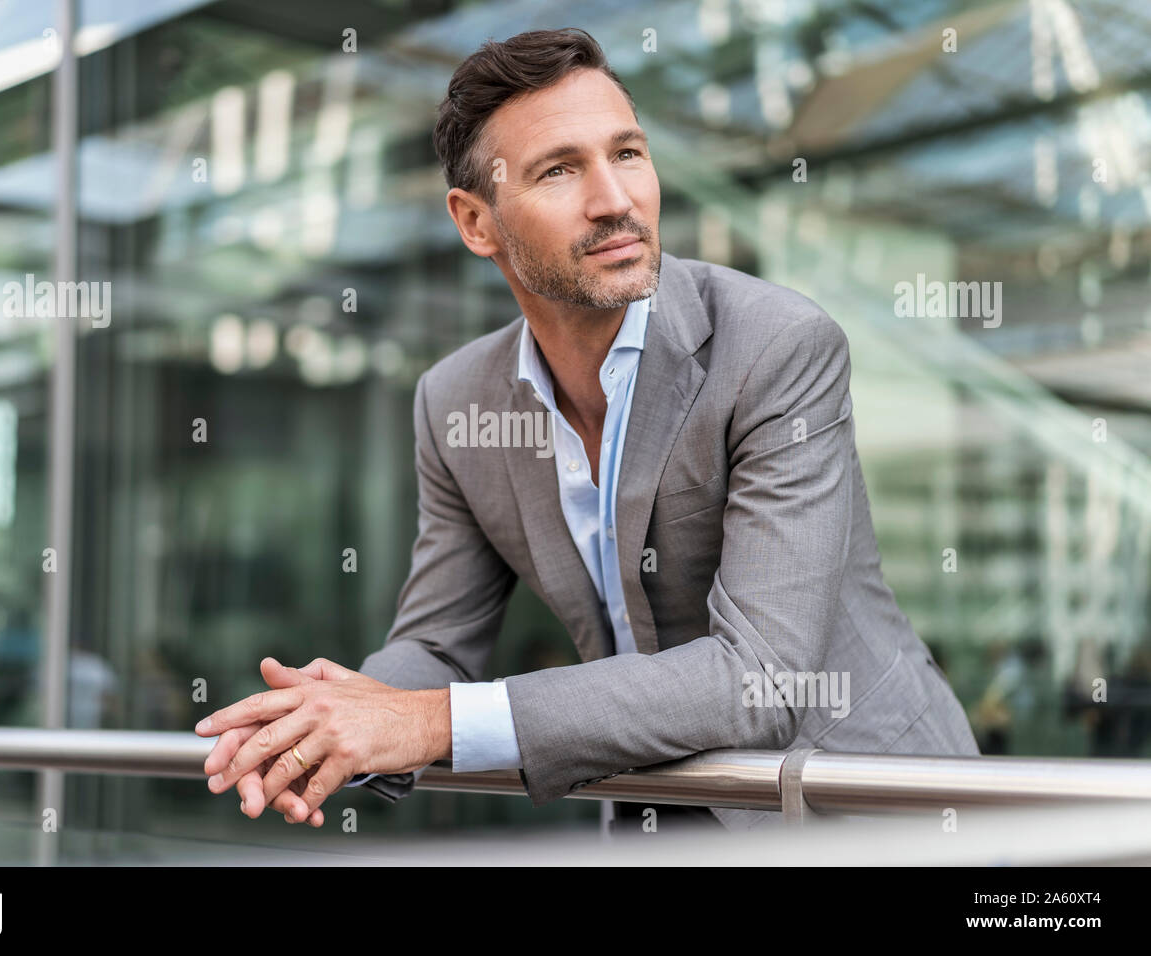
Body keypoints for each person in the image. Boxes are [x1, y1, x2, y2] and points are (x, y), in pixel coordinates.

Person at [196, 27, 980, 834]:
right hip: (651, 817)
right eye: (559, 170)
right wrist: (329, 720)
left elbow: (761, 680)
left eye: (628, 154)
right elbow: (436, 643)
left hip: (865, 812)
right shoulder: (454, 401)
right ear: (476, 222)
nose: (615, 200)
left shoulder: (777, 348)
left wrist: (429, 722)